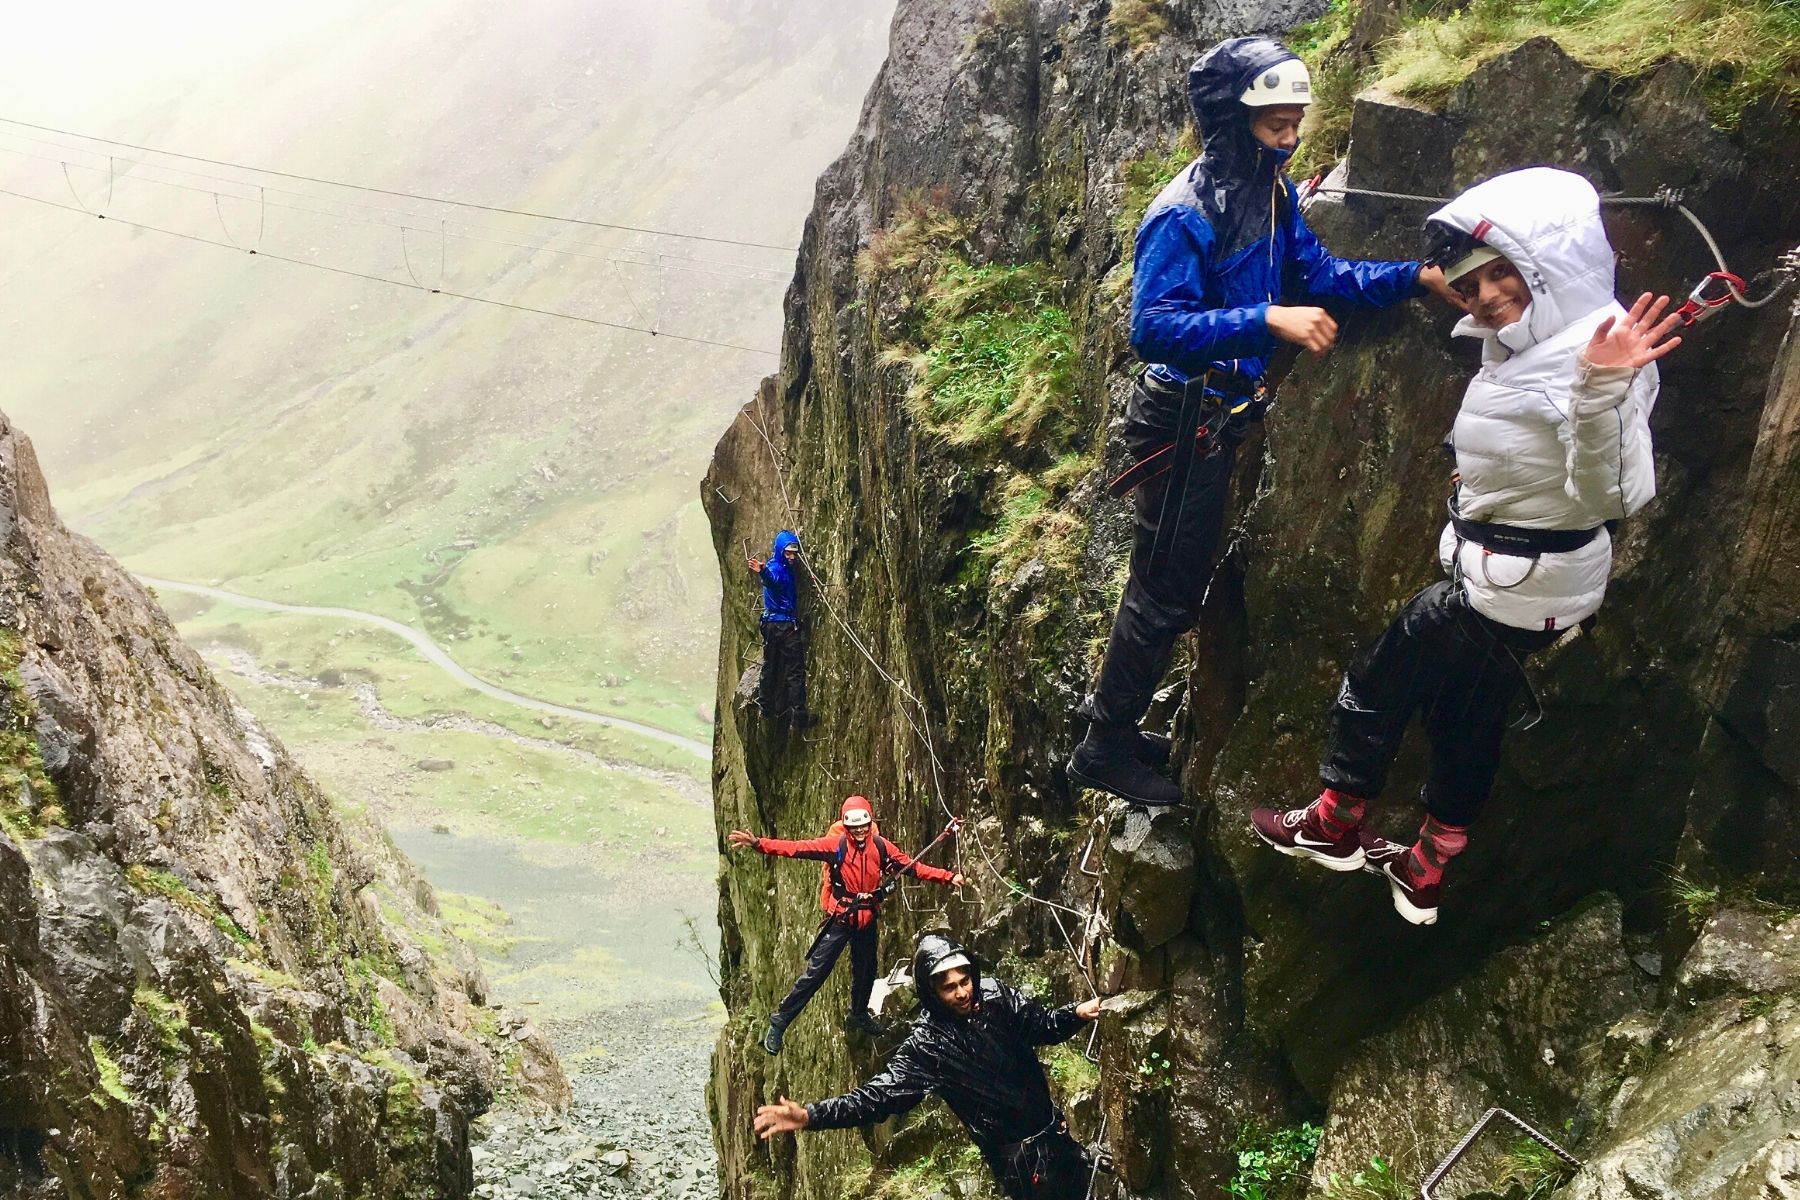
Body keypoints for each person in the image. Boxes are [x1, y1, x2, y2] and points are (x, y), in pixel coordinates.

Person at [1251, 166, 1681, 925]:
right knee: (1467, 719)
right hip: (1533, 581)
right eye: (1469, 283)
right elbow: (1544, 452)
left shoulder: (1592, 359)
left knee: (1379, 680)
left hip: (1508, 586)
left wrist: (1601, 393)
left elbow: (1613, 494)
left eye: (1498, 274)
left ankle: (1334, 821)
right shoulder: (1544, 341)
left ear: (1545, 266)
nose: (1483, 297)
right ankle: (1426, 866)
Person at [1068, 35, 1458, 808]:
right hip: (1183, 418)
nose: (1289, 137)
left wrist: (1412, 279)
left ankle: (1110, 727)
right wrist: (1268, 320)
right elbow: (1153, 327)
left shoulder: (1270, 196)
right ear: (1231, 120)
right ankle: (1104, 747)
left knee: (1165, 585)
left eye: (1294, 121)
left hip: (1215, 415)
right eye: (1273, 123)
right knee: (1164, 592)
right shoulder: (1184, 214)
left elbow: (1318, 273)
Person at [753, 933, 1103, 1200]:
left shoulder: (996, 997)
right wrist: (812, 1116)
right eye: (949, 988)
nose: (962, 993)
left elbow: (1039, 1024)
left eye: (964, 981)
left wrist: (1075, 1014)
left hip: (1056, 1136)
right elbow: (875, 1098)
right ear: (932, 992)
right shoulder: (927, 1047)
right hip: (1022, 1166)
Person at [727, 796, 964, 1052]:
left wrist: (948, 877)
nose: (860, 831)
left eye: (864, 826)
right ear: (847, 827)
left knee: (866, 970)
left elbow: (912, 867)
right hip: (842, 917)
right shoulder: (835, 846)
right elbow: (797, 848)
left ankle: (859, 1014)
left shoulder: (881, 847)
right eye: (855, 827)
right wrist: (758, 844)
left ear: (870, 823)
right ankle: (779, 1022)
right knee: (816, 973)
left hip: (867, 918)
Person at [748, 530, 815, 728]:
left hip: (770, 625)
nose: (793, 557)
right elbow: (774, 583)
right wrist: (763, 572)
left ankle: (766, 707)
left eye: (794, 553)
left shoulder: (780, 566)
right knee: (795, 670)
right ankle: (799, 717)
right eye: (788, 553)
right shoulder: (776, 570)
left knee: (771, 665)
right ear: (780, 551)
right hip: (784, 626)